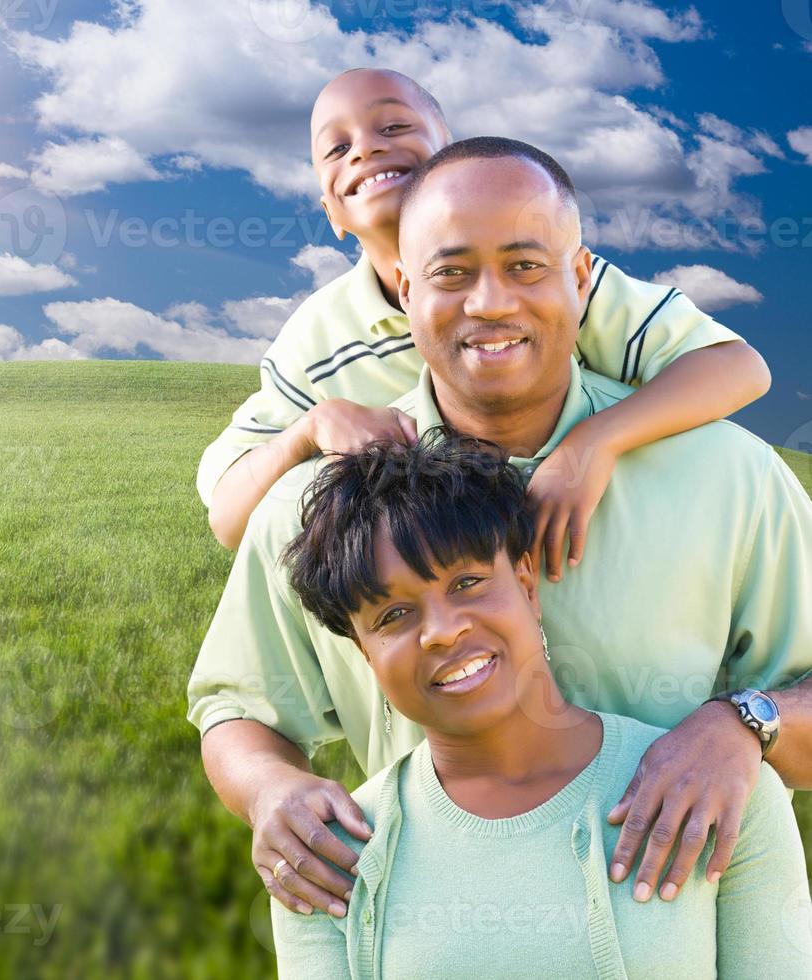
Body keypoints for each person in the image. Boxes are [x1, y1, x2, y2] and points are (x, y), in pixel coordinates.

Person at [186, 138, 812, 927]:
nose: (488, 303)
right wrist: (270, 790)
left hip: (677, 939)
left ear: (579, 279)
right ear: (405, 289)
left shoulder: (730, 475)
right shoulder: (314, 507)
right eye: (450, 273)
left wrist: (745, 725)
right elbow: (238, 709)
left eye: (525, 266)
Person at [266, 432, 812, 978]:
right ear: (365, 653)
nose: (442, 630)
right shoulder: (322, 854)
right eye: (392, 616)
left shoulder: (718, 787)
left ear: (527, 584)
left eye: (468, 582)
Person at [198, 68, 770, 575]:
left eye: (393, 128)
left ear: (453, 154)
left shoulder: (550, 280)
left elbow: (738, 367)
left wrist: (595, 442)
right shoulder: (318, 336)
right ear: (332, 214)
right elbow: (229, 521)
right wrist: (311, 427)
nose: (365, 150)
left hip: (604, 549)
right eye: (336, 146)